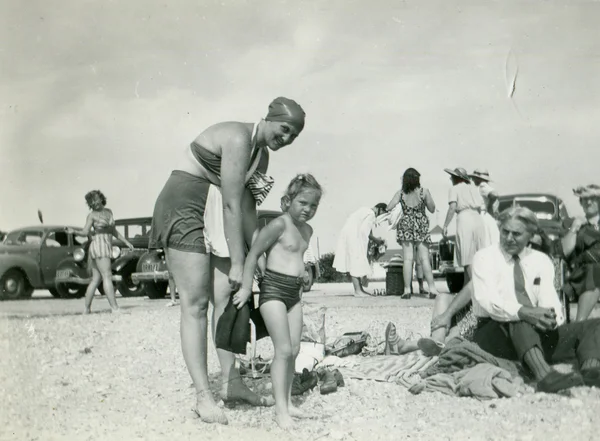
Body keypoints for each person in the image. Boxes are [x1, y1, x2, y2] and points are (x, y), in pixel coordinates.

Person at [148, 97, 305, 424]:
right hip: (184, 201)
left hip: (214, 208)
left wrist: (254, 256)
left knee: (226, 298)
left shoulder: (260, 157)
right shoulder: (237, 138)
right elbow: (232, 204)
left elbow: (247, 210)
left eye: (294, 136)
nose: (287, 139)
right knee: (196, 302)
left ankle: (231, 383)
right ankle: (203, 397)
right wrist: (237, 262)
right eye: (285, 129)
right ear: (269, 118)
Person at [471, 206, 600, 393]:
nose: (509, 238)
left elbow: (549, 299)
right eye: (505, 231)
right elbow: (489, 302)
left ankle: (591, 370)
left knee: (593, 325)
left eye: (516, 234)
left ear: (531, 235)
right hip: (493, 332)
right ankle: (544, 376)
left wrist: (550, 317)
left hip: (531, 334)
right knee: (520, 315)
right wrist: (526, 312)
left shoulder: (540, 260)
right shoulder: (484, 258)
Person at [232, 174, 322, 430]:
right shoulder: (278, 224)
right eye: (302, 203)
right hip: (272, 291)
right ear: (287, 201)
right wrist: (247, 288)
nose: (308, 209)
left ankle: (288, 401)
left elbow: (297, 258)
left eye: (313, 205)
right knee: (282, 350)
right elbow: (254, 254)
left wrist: (304, 274)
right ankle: (281, 411)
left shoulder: (307, 230)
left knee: (294, 350)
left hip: (295, 294)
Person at [68, 190, 134, 314]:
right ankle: (114, 308)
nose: (94, 203)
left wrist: (126, 242)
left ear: (101, 198)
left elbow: (113, 231)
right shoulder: (91, 216)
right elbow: (84, 232)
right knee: (107, 276)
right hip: (99, 246)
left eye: (96, 199)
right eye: (91, 202)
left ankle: (86, 309)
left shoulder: (109, 212)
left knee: (96, 280)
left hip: (104, 245)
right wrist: (74, 232)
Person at [387, 168, 440, 299]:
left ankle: (407, 290)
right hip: (420, 224)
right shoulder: (424, 192)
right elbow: (432, 209)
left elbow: (388, 207)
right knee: (424, 259)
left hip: (405, 225)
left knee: (407, 259)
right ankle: (432, 289)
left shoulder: (400, 194)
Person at [556, 184, 600, 321]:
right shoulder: (570, 223)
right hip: (584, 271)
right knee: (595, 270)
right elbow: (565, 251)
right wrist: (575, 228)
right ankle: (579, 324)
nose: (589, 202)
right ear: (580, 202)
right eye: (585, 199)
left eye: (594, 198)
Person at [333, 203, 388, 296]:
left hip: (349, 235)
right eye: (381, 214)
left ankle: (359, 289)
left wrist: (373, 239)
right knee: (356, 261)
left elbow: (364, 230)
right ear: (380, 210)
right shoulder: (371, 214)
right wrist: (376, 241)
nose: (379, 216)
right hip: (354, 237)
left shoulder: (364, 210)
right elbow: (364, 232)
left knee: (355, 261)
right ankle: (358, 291)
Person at [470, 168, 500, 246]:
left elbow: (494, 194)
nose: (473, 180)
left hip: (483, 215)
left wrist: (489, 205)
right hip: (482, 215)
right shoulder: (479, 187)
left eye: (474, 178)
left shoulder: (482, 186)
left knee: (486, 240)